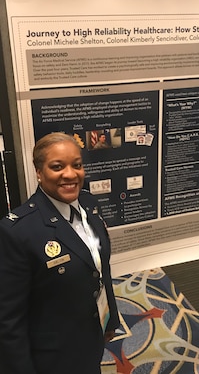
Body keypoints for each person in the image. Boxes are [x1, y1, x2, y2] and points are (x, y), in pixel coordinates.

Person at [0, 132, 120, 374]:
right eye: (57, 167)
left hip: (90, 336)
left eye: (77, 165)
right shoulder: (17, 232)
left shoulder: (89, 205)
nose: (70, 174)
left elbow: (99, 269)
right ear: (39, 172)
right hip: (54, 355)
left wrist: (110, 319)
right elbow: (8, 320)